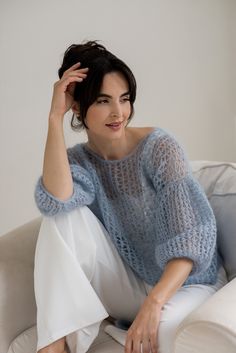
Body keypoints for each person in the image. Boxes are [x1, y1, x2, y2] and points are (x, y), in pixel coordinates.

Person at [34, 40, 227, 353]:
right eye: (103, 101)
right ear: (79, 107)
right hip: (132, 280)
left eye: (124, 99)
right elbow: (56, 201)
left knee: (162, 335)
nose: (118, 112)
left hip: (187, 282)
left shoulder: (161, 148)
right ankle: (54, 347)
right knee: (62, 214)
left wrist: (154, 303)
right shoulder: (79, 160)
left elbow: (190, 241)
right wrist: (55, 118)